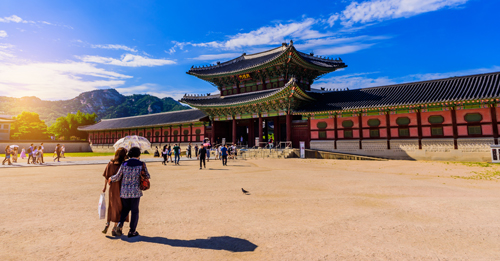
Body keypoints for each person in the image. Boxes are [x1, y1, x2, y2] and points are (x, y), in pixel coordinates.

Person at [110, 147, 150, 238]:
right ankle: (132, 231)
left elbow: (118, 176)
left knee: (125, 209)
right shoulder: (141, 164)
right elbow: (147, 175)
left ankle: (120, 224)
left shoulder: (124, 164)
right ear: (138, 155)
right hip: (135, 192)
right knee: (135, 211)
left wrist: (110, 179)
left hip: (124, 191)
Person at [102, 148, 129, 236]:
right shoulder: (124, 165)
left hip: (113, 188)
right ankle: (115, 227)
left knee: (112, 205)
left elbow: (106, 177)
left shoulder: (110, 164)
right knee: (121, 207)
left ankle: (108, 223)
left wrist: (104, 187)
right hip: (122, 188)